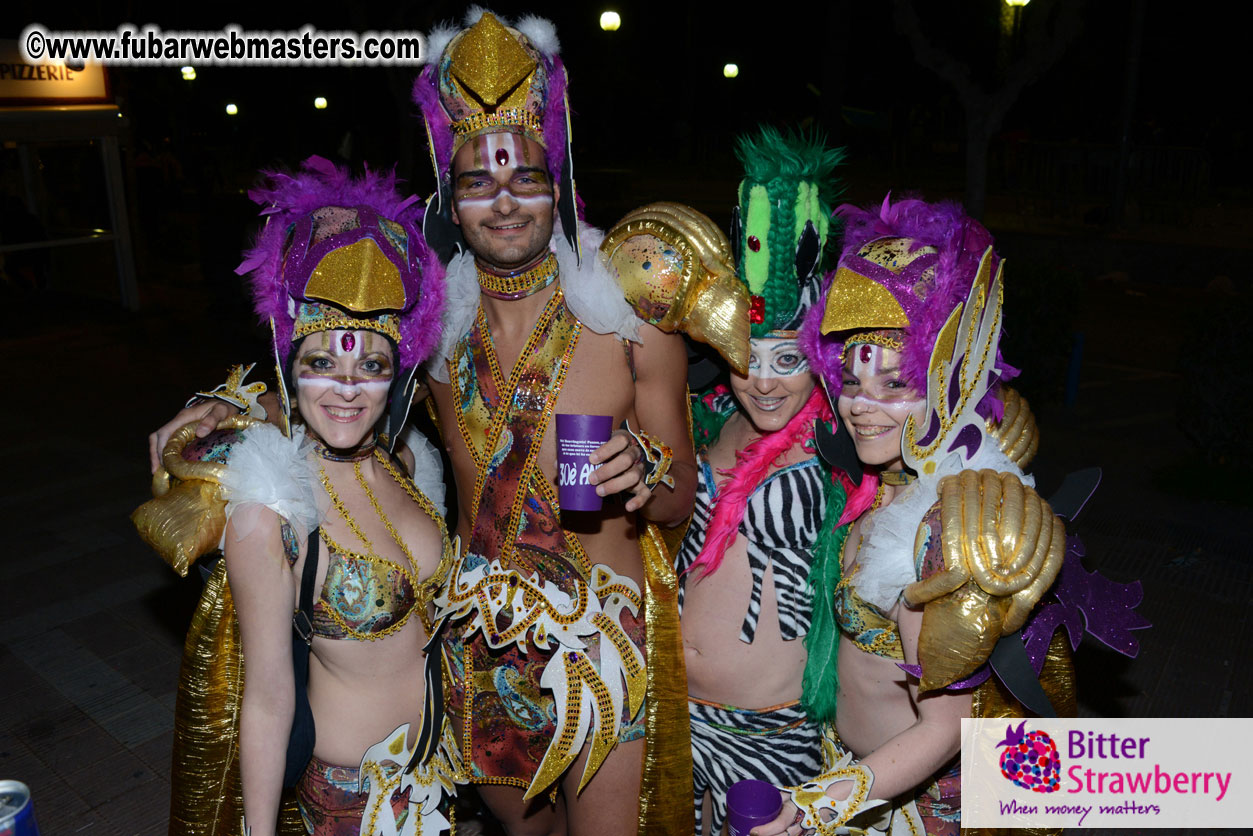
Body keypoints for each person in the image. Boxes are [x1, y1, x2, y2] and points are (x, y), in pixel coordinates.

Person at [149, 12, 703, 835]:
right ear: (452, 190)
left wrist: (644, 471)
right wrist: (238, 404)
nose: (505, 201)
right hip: (480, 643)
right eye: (479, 181)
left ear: (560, 180)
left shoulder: (629, 320)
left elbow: (677, 502)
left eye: (527, 177)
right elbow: (344, 382)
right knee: (522, 830)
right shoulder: (436, 322)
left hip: (600, 646)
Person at [751, 197, 1145, 836]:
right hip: (862, 782)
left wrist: (820, 803)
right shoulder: (881, 484)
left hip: (914, 810)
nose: (862, 406)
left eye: (895, 385)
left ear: (945, 384)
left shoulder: (943, 523)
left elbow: (945, 727)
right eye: (852, 381)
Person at [134, 159, 458, 836]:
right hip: (350, 804)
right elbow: (267, 699)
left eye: (370, 366)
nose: (346, 389)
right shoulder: (269, 514)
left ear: (396, 376)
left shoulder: (406, 464)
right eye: (321, 365)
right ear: (291, 367)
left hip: (435, 781)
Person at [673, 128, 857, 836]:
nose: (765, 382)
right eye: (749, 357)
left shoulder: (844, 449)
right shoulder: (704, 418)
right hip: (673, 721)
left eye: (789, 359)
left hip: (773, 738)